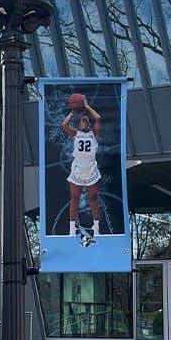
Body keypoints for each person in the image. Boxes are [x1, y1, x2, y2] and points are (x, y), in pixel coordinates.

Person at [61, 96, 101, 237]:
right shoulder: (75, 134)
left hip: (91, 170)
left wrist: (86, 106)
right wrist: (73, 110)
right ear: (79, 124)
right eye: (82, 120)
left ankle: (96, 227)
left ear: (88, 124)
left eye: (86, 120)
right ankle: (72, 228)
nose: (83, 122)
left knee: (93, 200)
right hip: (78, 170)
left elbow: (98, 118)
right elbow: (64, 125)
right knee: (75, 199)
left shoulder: (94, 134)